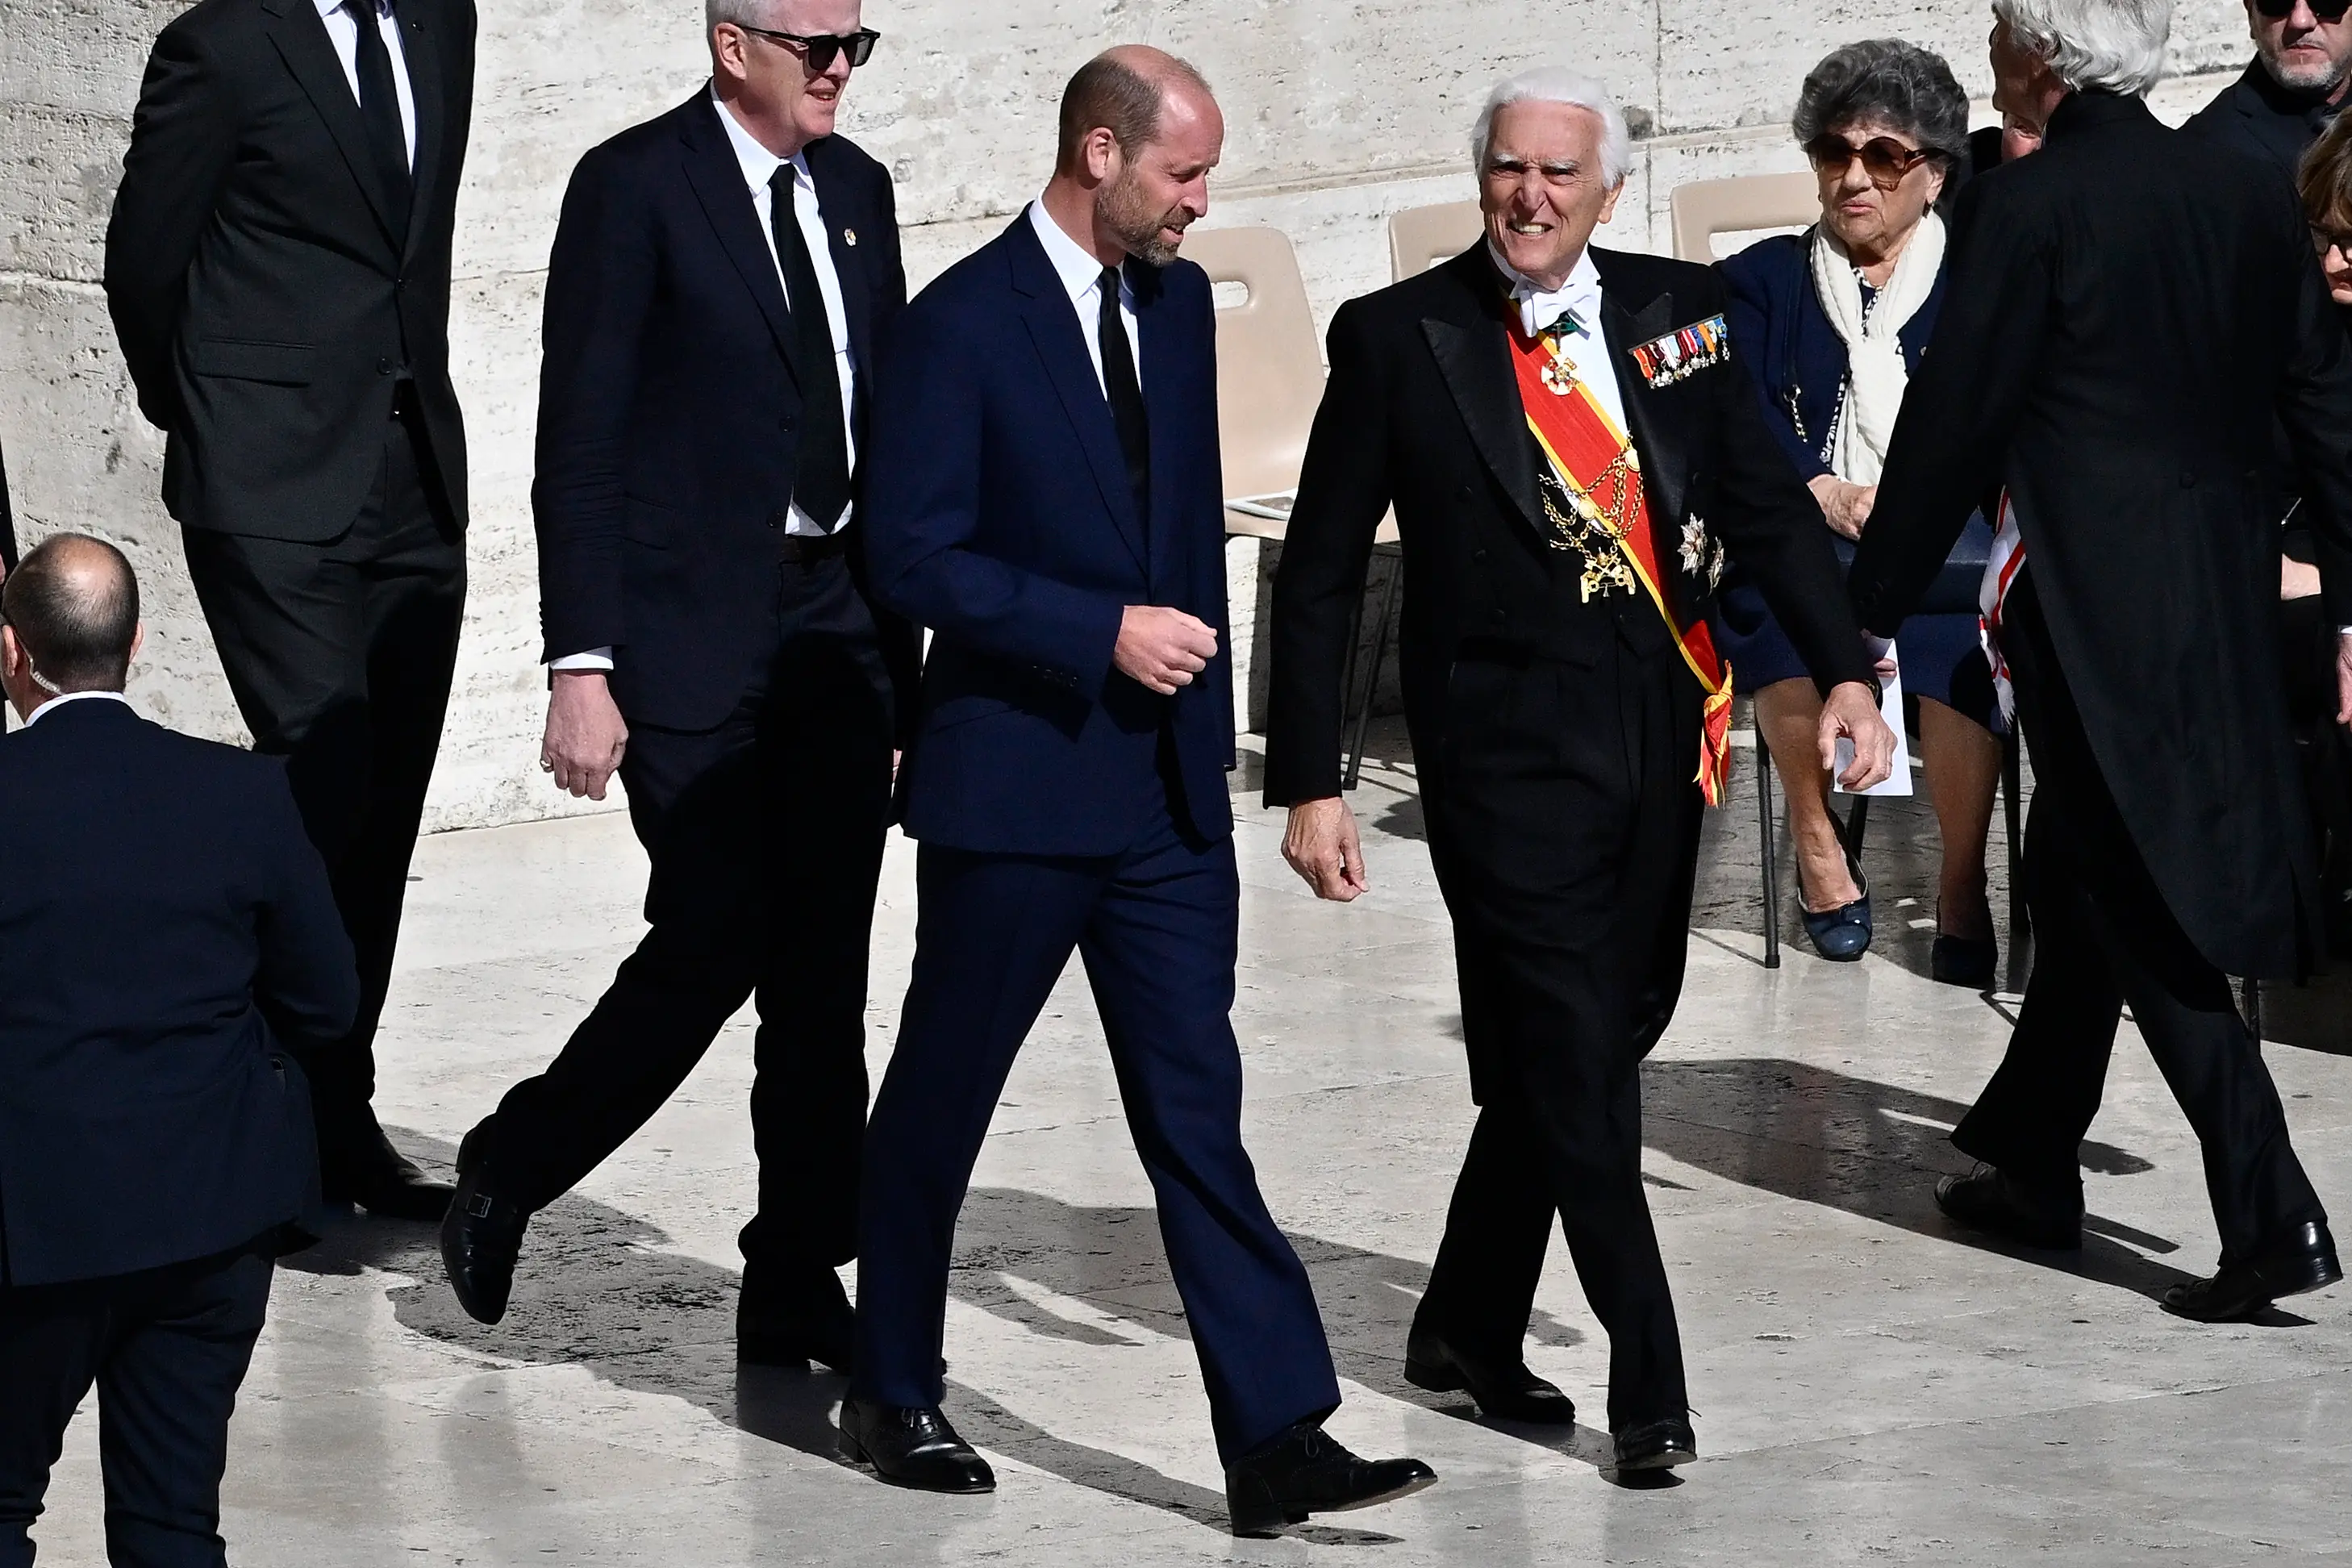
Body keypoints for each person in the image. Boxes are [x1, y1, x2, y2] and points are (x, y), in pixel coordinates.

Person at [1264, 67, 1894, 1469]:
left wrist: (1845, 662)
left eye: (1560, 174)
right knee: (1580, 1066)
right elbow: (1315, 575)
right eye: (1508, 169)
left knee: (1602, 1033)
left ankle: (1467, 1325)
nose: (1530, 197)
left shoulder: (1686, 317)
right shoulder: (1398, 336)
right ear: (1479, 175)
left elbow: (1765, 508)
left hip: (1666, 729)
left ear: (1607, 190)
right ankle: (1650, 1377)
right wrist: (1310, 778)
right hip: (1495, 761)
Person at [844, 48, 1434, 1534]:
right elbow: (912, 558)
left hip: (1165, 803)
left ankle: (1276, 1429)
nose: (1200, 203)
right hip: (1018, 788)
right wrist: (1089, 628)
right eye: (1182, 174)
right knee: (943, 1095)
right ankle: (889, 1375)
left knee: (1197, 1111)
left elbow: (1176, 532)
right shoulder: (956, 327)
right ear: (1099, 153)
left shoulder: (1172, 305)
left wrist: (1253, 762)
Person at [1849, 0, 2352, 1321]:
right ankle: (2030, 1155)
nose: (1995, 51)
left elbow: (1954, 425)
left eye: (2007, 31)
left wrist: (1866, 608)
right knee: (2079, 860)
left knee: (2132, 890)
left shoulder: (2027, 207)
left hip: (2087, 607)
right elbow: (2322, 396)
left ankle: (2271, 1206)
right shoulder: (2240, 190)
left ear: (2041, 58)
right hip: (2224, 595)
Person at [437, 0, 917, 1375]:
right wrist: (579, 663)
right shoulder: (633, 187)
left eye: (858, 48)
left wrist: (910, 679)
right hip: (687, 637)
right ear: (732, 45)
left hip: (838, 627)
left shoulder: (861, 192)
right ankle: (513, 1160)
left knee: (823, 974)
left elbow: (886, 433)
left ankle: (793, 1280)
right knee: (719, 934)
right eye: (819, 47)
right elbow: (576, 440)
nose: (841, 69)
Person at [103, 0, 477, 1220]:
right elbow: (144, 265)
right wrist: (220, 420)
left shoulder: (440, 20)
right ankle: (252, 1133)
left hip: (414, 478)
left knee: (384, 818)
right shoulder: (223, 44)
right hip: (269, 483)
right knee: (325, 781)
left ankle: (334, 1115)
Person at [0, 536, 357, 1568]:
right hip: (212, 1216)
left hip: (38, 1229)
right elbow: (327, 1004)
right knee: (170, 1525)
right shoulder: (242, 794)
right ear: (139, 643)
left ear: (12, 651)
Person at [1716, 40, 2005, 979]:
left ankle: (1964, 882)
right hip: (1806, 534)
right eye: (1835, 153)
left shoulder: (1981, 279)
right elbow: (1741, 416)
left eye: (1885, 157)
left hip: (1948, 543)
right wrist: (1821, 489)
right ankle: (1817, 844)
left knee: (1960, 631)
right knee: (1779, 604)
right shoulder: (1761, 280)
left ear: (1934, 174)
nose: (1854, 177)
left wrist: (1923, 502)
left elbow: (2011, 416)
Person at [2185, 0, 2352, 184]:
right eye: (2276, 3)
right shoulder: (2202, 152)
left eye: (2328, 3)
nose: (2301, 21)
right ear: (2250, 15)